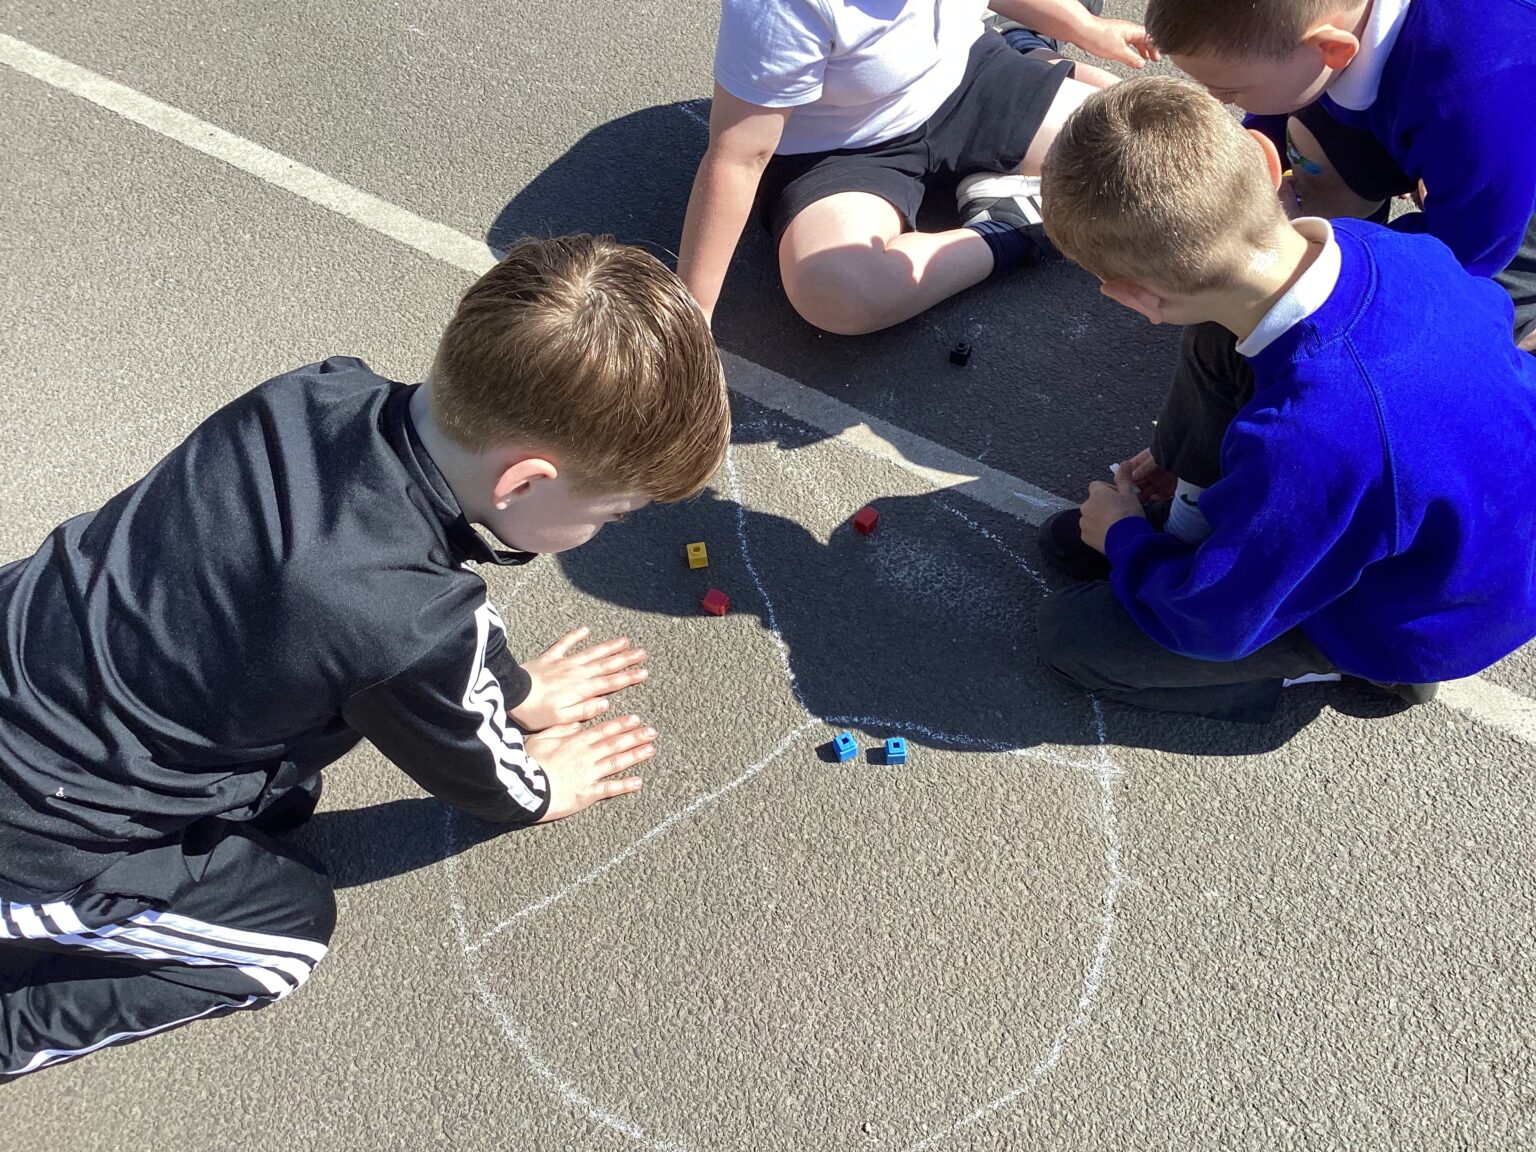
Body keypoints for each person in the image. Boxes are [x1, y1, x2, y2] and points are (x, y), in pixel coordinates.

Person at [0, 235, 729, 1078]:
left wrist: (518, 689)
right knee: (284, 934)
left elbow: (433, 615)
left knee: (283, 805)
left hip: (35, 651)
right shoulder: (401, 617)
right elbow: (473, 762)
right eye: (611, 512)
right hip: (35, 836)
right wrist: (538, 789)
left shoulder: (319, 392)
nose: (604, 530)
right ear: (524, 483)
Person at [1032, 77, 1536, 722]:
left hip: (1425, 616)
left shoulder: (1305, 446)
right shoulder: (1395, 247)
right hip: (1472, 518)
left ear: (1135, 299)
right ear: (1269, 162)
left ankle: (1352, 668)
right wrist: (1178, 455)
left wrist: (1124, 539)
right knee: (1220, 333)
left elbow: (1214, 621)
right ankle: (1190, 519)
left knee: (1073, 637)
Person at [1131, 0, 1536, 546]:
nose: (1217, 100)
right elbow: (1274, 120)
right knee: (1303, 143)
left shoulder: (1480, 99)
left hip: (1506, 203)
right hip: (1440, 123)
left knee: (1431, 347)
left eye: (1230, 90)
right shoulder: (1324, 43)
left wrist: (1318, 291)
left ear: (1332, 50)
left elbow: (1469, 255)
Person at [676, 0, 1158, 336]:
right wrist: (693, 316)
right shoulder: (778, 8)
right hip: (842, 148)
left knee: (1148, 157)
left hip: (964, 75)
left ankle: (1033, 52)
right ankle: (1006, 226)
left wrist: (1086, 27)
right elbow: (740, 156)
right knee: (837, 288)